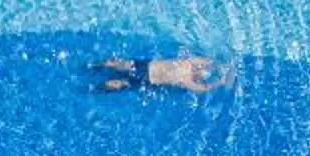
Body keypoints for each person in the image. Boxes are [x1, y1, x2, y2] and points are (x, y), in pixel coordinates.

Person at [92, 54, 228, 93]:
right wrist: (220, 82)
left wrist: (219, 66)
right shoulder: (187, 79)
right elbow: (204, 88)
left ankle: (96, 66)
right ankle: (99, 86)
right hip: (148, 79)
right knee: (122, 82)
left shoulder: (187, 63)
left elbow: (203, 87)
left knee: (121, 66)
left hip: (147, 67)